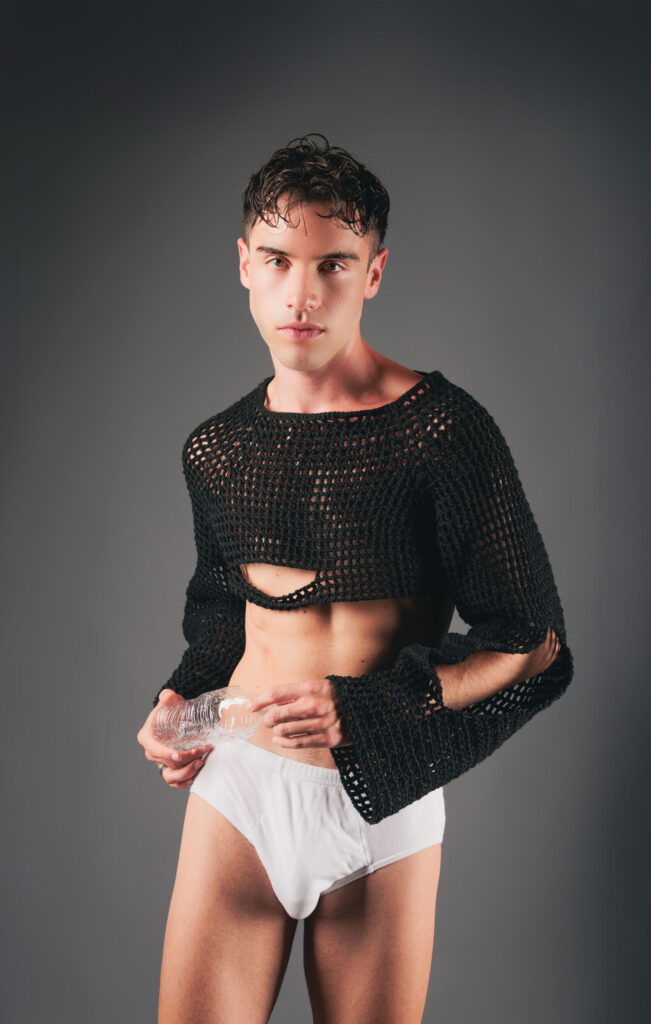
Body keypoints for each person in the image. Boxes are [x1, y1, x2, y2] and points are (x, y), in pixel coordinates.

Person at [136, 133, 572, 1024]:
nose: (300, 295)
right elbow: (220, 617)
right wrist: (176, 706)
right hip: (241, 791)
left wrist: (376, 706)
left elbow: (532, 643)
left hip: (380, 800)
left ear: (373, 272)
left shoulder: (441, 431)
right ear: (244, 266)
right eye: (277, 261)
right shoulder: (216, 449)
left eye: (332, 264)